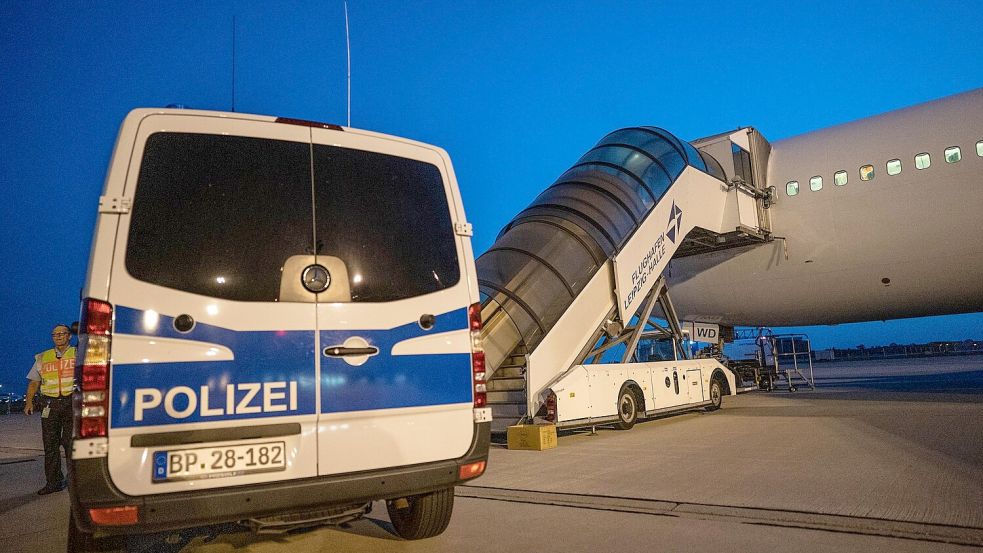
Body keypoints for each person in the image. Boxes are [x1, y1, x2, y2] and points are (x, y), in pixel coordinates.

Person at [24, 323, 76, 495]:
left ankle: (75, 480)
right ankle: (54, 482)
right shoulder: (43, 357)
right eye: (55, 334)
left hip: (71, 403)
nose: (59, 336)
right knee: (50, 445)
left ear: (70, 336)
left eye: (62, 333)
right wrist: (29, 402)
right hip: (50, 405)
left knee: (71, 444)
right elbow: (34, 382)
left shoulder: (78, 353)